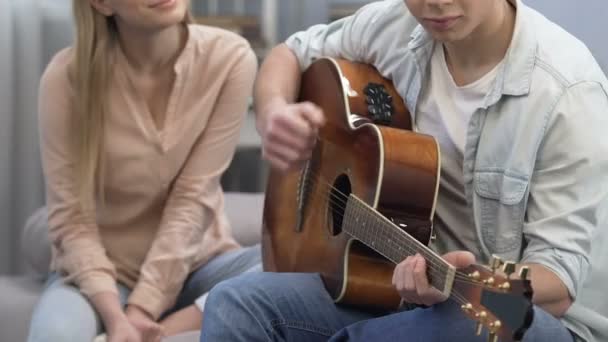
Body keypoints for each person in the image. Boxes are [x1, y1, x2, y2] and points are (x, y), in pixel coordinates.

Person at [199, 0, 608, 341]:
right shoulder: (397, 25)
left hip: (522, 316)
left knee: (445, 325)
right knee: (236, 303)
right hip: (400, 284)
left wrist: (456, 283)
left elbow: (557, 283)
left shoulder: (567, 94)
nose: (434, 4)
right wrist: (274, 111)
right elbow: (291, 51)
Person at [26, 0, 260, 341]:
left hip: (199, 263)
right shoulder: (65, 79)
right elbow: (72, 220)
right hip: (106, 276)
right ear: (102, 4)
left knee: (292, 270)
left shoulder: (231, 58)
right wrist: (114, 315)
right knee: (54, 334)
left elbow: (194, 198)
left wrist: (140, 314)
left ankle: (156, 333)